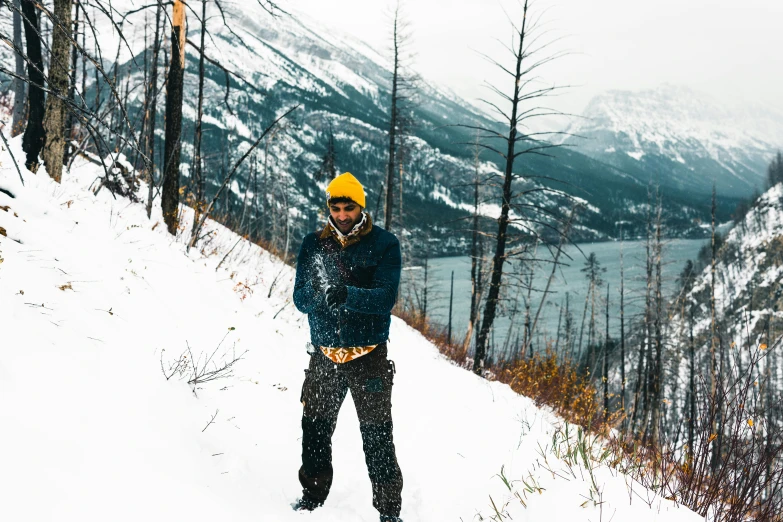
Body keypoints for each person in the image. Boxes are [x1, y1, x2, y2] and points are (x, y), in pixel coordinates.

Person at [292, 172, 404, 522]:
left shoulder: (385, 244)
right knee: (314, 430)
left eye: (349, 208)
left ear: (361, 207)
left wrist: (347, 293)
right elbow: (299, 299)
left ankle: (389, 512)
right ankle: (312, 496)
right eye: (336, 208)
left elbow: (385, 299)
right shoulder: (313, 244)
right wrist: (320, 293)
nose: (342, 215)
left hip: (368, 357)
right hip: (325, 356)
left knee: (376, 437)